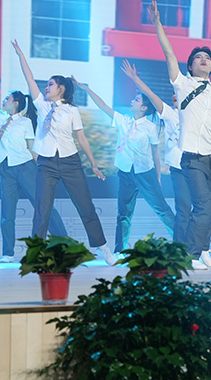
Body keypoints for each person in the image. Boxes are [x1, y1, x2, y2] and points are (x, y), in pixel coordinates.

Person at [10, 40, 114, 263]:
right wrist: (20, 55)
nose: (46, 88)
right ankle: (35, 252)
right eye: (46, 85)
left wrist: (93, 164)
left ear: (61, 89)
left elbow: (81, 138)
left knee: (85, 206)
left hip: (70, 163)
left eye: (50, 85)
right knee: (42, 210)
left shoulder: (72, 111)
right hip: (46, 164)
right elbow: (29, 79)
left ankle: (102, 247)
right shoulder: (42, 105)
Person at [148, 1, 211, 270]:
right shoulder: (183, 84)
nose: (203, 59)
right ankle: (192, 254)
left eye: (207, 58)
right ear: (191, 66)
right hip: (192, 158)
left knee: (210, 206)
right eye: (198, 58)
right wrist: (158, 24)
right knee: (203, 205)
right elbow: (169, 54)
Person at [0, 61, 67, 263]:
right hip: (5, 168)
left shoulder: (26, 122)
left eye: (7, 99)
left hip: (26, 167)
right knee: (7, 214)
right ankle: (8, 253)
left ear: (16, 103)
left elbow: (31, 148)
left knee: (43, 207)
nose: (3, 101)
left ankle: (66, 244)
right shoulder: (0, 117)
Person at [73, 77, 175, 253]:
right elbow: (103, 106)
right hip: (126, 173)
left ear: (143, 108)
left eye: (137, 100)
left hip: (145, 173)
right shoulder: (123, 120)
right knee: (124, 214)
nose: (132, 101)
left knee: (162, 209)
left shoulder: (150, 127)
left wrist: (157, 176)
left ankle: (183, 243)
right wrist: (86, 89)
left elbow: (155, 154)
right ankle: (120, 251)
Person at [120, 60, 192, 250]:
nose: (176, 96)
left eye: (179, 94)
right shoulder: (169, 114)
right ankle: (184, 245)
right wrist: (135, 78)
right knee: (179, 210)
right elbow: (151, 95)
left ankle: (197, 246)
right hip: (177, 168)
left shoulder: (195, 115)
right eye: (174, 95)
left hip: (195, 166)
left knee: (197, 210)